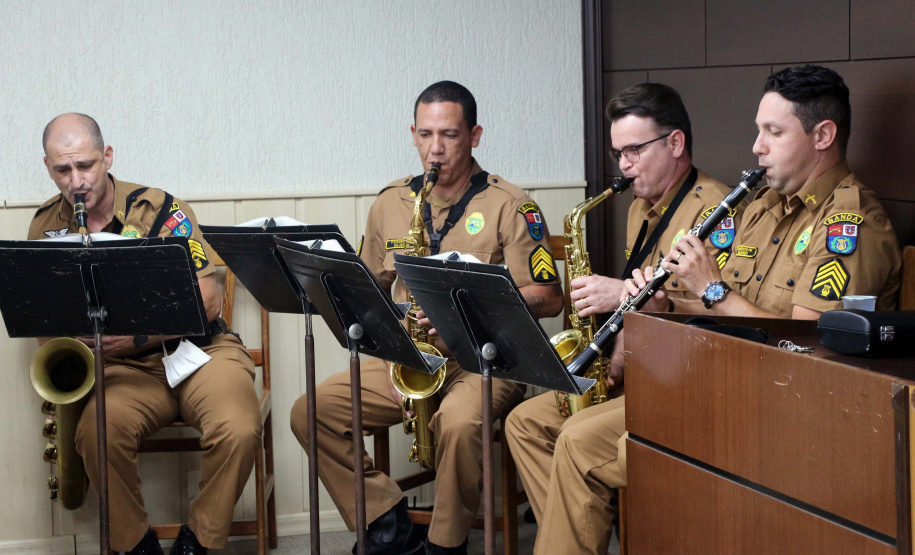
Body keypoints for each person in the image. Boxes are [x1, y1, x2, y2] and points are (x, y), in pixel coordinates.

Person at [530, 65, 902, 555]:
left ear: (823, 136)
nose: (757, 146)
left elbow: (809, 353)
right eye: (757, 130)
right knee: (574, 436)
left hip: (787, 409)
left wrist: (711, 289)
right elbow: (709, 302)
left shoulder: (850, 225)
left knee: (593, 445)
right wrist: (662, 301)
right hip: (720, 382)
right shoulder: (762, 207)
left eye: (773, 131)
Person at [289, 81, 563, 555]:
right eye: (425, 134)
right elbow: (368, 280)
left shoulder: (512, 204)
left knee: (458, 424)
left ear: (474, 136)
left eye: (450, 135)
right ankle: (385, 522)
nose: (435, 149)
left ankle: (445, 543)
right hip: (409, 358)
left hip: (486, 360)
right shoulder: (391, 201)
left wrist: (469, 312)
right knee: (309, 412)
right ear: (412, 134)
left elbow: (548, 296)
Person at [504, 82, 746, 555]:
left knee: (573, 437)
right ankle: (576, 536)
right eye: (618, 153)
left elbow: (710, 315)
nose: (623, 165)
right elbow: (644, 306)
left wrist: (620, 295)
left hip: (684, 375)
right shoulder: (640, 208)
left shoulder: (716, 211)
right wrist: (613, 359)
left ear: (675, 144)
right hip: (639, 363)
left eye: (634, 150)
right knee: (523, 423)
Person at [29, 113, 262, 555]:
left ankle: (199, 541)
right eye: (63, 170)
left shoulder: (160, 209)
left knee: (239, 428)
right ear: (48, 166)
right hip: (119, 372)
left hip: (200, 352)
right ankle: (137, 547)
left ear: (108, 157)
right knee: (96, 436)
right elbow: (45, 326)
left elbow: (208, 300)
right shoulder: (46, 226)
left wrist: (137, 338)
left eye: (87, 166)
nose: (77, 181)